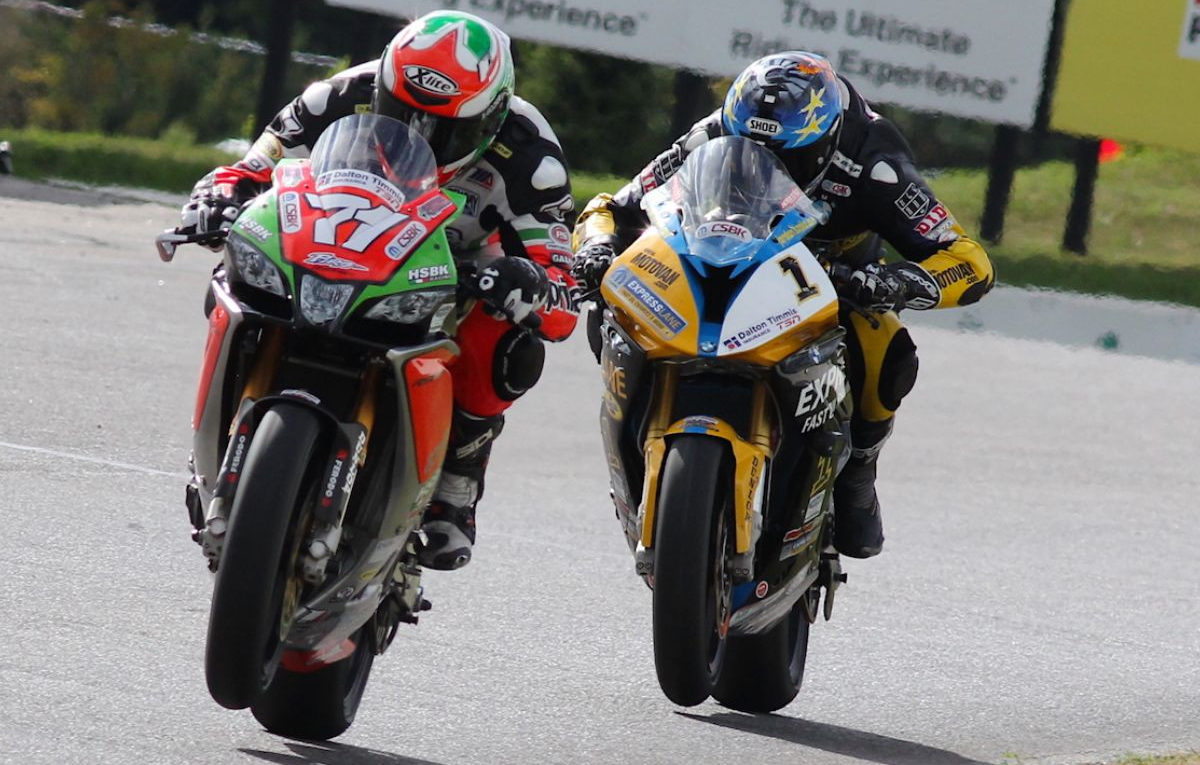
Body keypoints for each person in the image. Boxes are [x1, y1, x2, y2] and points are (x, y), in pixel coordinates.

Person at [179, 10, 579, 570]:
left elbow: (561, 287)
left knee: (512, 340)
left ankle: (457, 481)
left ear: (489, 118)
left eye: (446, 130)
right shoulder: (338, 95)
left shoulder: (531, 155)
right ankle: (218, 436)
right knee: (233, 275)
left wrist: (529, 283)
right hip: (333, 238)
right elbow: (253, 167)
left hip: (452, 269)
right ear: (385, 86)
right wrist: (215, 198)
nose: (419, 136)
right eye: (402, 113)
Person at [571, 51, 994, 559]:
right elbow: (614, 207)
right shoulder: (713, 132)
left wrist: (897, 283)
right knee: (616, 307)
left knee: (885, 350)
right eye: (748, 147)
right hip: (726, 251)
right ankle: (639, 423)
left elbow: (968, 259)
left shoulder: (873, 159)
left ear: (822, 142)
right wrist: (596, 248)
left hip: (834, 275)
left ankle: (858, 471)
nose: (763, 162)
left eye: (784, 156)